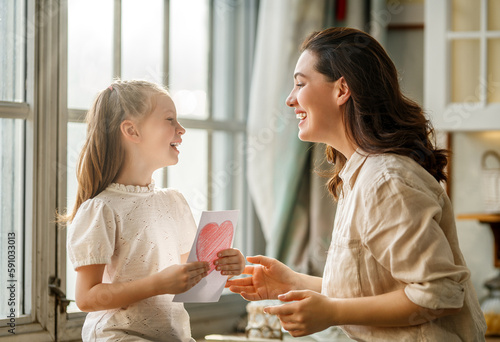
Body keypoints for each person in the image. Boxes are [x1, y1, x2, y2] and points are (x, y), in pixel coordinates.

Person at [227, 27, 487, 341]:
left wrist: (332, 312)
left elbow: (439, 292)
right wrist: (293, 282)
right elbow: (374, 288)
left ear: (342, 89)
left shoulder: (384, 180)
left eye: (300, 83)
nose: (290, 99)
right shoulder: (359, 175)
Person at [62, 80, 245, 341]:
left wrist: (225, 268)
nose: (181, 130)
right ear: (132, 131)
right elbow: (86, 298)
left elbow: (193, 280)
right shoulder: (101, 209)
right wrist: (158, 284)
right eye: (170, 120)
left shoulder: (174, 202)